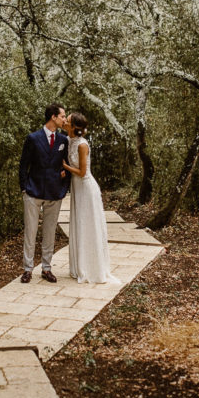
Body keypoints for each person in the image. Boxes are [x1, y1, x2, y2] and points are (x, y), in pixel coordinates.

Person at [61, 112, 119, 285]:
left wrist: (64, 166)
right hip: (77, 189)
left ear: (74, 127)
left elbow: (82, 172)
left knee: (88, 225)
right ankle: (79, 265)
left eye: (68, 121)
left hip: (86, 188)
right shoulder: (69, 140)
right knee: (79, 224)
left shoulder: (82, 145)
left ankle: (92, 267)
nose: (65, 122)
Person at [18, 104, 70, 283]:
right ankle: (27, 269)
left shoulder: (64, 140)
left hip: (55, 193)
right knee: (30, 232)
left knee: (49, 233)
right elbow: (23, 165)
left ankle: (46, 269)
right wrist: (24, 189)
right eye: (63, 116)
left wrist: (64, 187)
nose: (65, 119)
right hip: (33, 192)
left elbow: (68, 165)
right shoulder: (33, 138)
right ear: (53, 117)